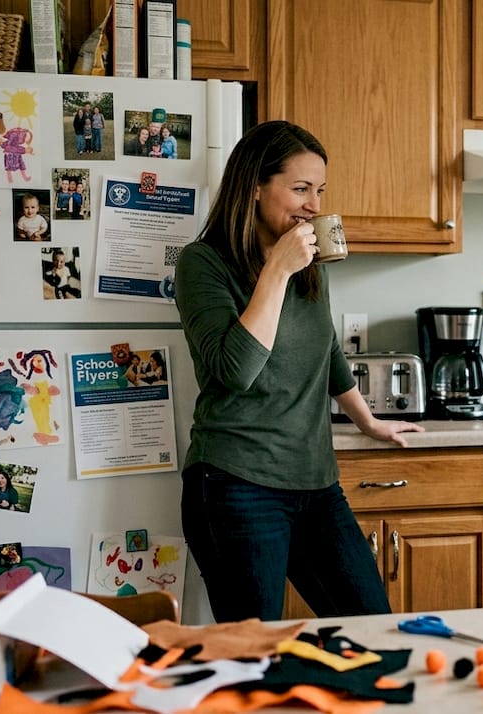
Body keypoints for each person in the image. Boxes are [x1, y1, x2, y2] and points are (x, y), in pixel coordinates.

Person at [174, 119, 424, 623]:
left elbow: (326, 348)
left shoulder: (312, 265)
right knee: (253, 650)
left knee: (373, 625)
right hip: (234, 484)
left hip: (315, 483)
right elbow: (235, 370)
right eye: (301, 188)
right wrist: (277, 270)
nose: (314, 203)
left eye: (320, 190)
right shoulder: (202, 264)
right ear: (255, 187)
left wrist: (366, 419)